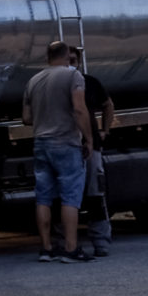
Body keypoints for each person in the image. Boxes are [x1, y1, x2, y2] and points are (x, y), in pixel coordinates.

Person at [23, 41, 93, 264]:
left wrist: (45, 118)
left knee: (43, 197)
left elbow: (26, 117)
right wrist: (89, 139)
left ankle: (46, 248)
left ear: (47, 57)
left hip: (41, 143)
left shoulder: (33, 81)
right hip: (65, 142)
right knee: (70, 197)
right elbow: (79, 109)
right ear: (66, 57)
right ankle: (70, 249)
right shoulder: (73, 77)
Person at [79, 66, 117, 258]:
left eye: (73, 60)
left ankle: (101, 240)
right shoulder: (60, 83)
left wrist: (105, 130)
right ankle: (67, 242)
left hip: (91, 147)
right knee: (68, 197)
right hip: (70, 146)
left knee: (95, 193)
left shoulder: (90, 82)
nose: (70, 63)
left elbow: (108, 104)